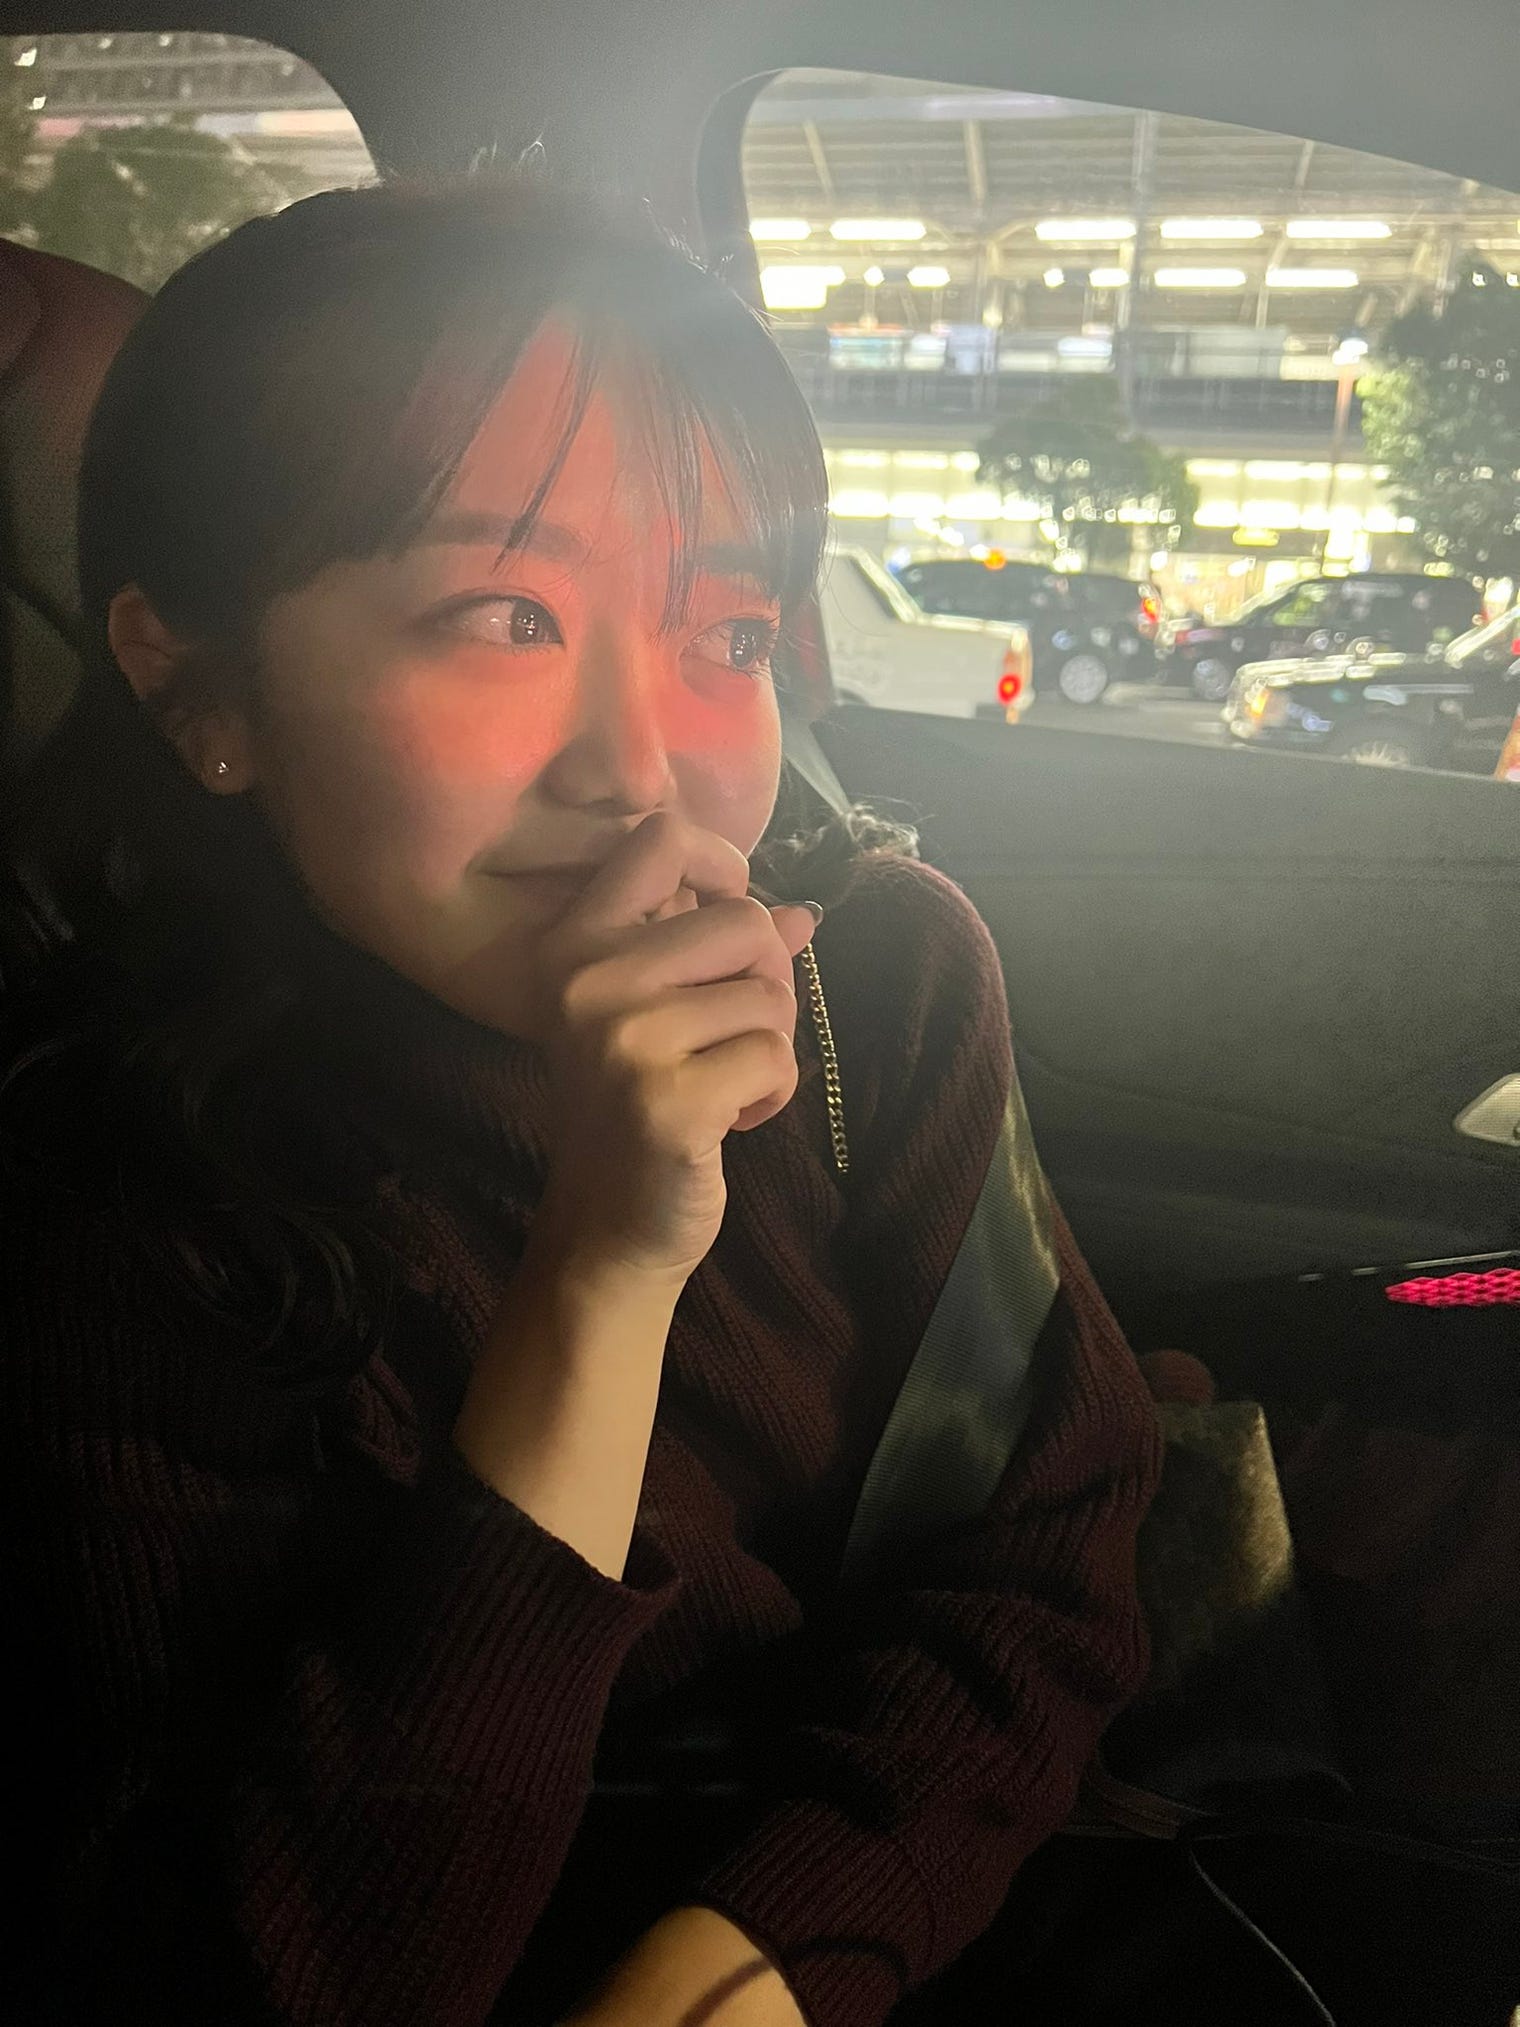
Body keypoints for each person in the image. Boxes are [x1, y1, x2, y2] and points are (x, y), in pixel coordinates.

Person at [0, 176, 1160, 2027]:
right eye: (505, 615)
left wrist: (759, 1955)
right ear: (195, 686)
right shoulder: (112, 1203)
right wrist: (604, 1276)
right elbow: (277, 1967)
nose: (642, 771)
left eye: (730, 635)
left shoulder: (878, 982)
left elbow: (1050, 1560)